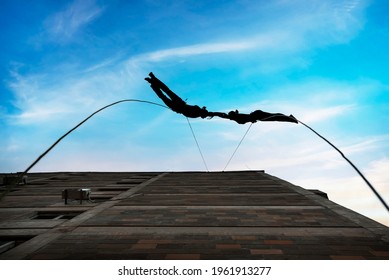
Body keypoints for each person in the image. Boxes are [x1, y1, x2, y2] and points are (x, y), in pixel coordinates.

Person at [227, 109, 298, 124]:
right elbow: (248, 118)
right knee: (275, 116)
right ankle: (290, 118)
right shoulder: (237, 118)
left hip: (258, 115)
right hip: (257, 114)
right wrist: (252, 120)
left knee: (275, 117)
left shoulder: (238, 118)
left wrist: (252, 119)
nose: (230, 119)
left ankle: (291, 119)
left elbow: (249, 118)